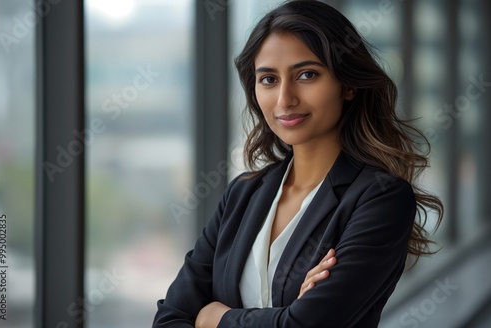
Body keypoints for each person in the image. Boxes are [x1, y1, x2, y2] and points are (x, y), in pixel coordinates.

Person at [152, 0, 443, 327]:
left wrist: (213, 318)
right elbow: (169, 319)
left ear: (347, 85)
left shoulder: (380, 199)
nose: (285, 99)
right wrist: (283, 316)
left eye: (307, 75)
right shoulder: (243, 194)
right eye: (268, 79)